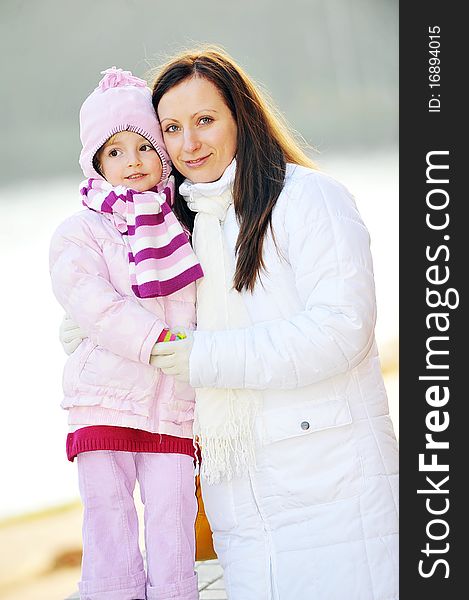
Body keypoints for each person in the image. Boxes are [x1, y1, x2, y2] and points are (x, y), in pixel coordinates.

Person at [62, 49, 399, 599]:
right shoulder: (181, 228)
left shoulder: (309, 198)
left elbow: (342, 328)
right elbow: (153, 307)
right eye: (170, 128)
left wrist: (203, 356)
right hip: (240, 504)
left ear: (240, 116)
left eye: (204, 120)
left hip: (334, 487)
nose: (189, 143)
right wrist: (94, 324)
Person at [49, 67, 202, 600]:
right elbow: (94, 304)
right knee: (108, 516)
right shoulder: (80, 230)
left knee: (173, 517)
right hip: (104, 398)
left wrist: (203, 353)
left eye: (143, 147)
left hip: (174, 406)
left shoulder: (185, 224)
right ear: (95, 161)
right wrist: (161, 342)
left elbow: (210, 302)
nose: (131, 163)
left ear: (162, 152)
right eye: (114, 152)